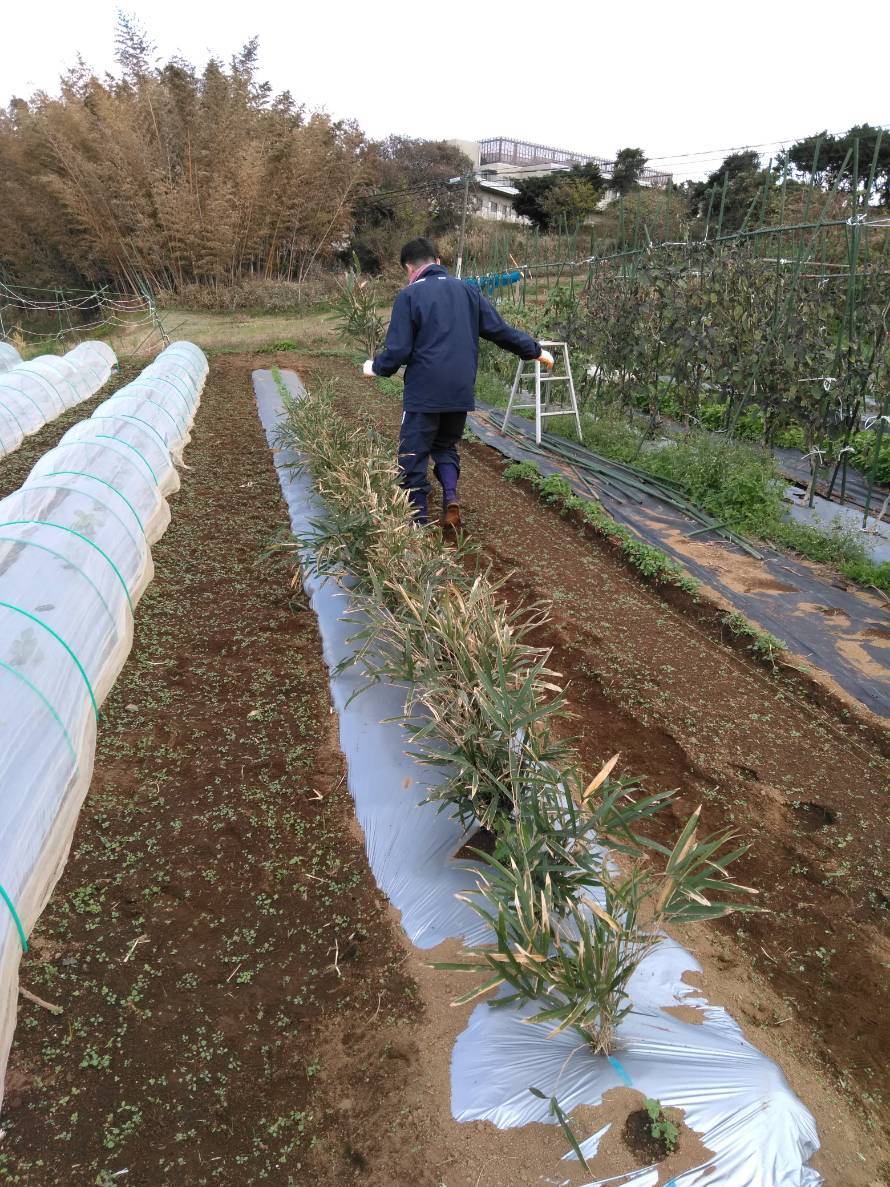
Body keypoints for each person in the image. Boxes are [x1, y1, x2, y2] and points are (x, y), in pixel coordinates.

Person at [362, 237, 553, 531]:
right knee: (446, 445)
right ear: (438, 262)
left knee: (412, 455)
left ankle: (418, 526)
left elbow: (398, 350)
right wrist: (535, 350)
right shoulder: (468, 291)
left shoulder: (409, 296)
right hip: (460, 390)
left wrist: (375, 367)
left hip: (425, 392)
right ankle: (450, 497)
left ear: (409, 268)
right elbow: (499, 331)